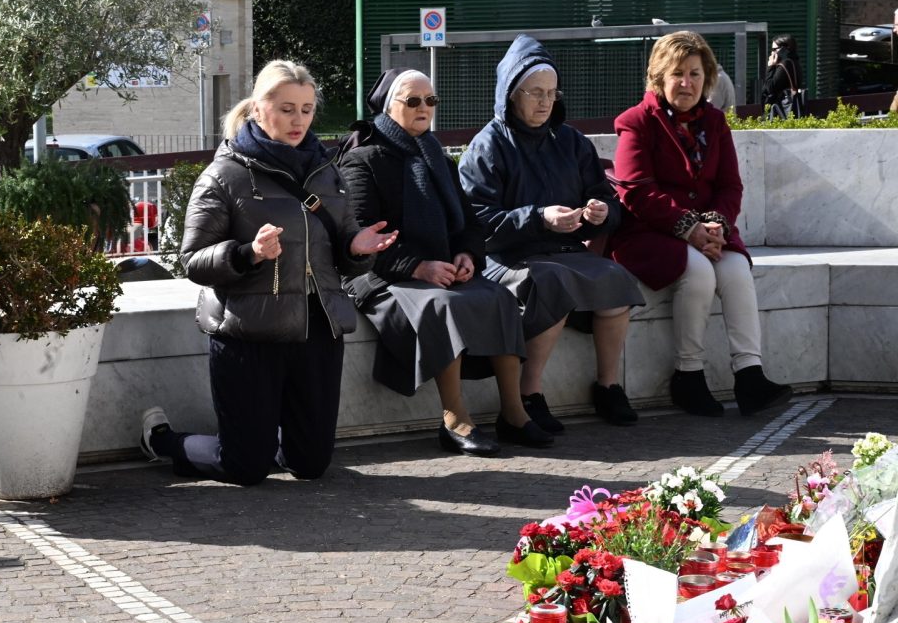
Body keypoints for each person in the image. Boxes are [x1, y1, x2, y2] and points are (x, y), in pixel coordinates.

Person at [139, 60, 397, 486]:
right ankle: (164, 441)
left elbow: (343, 241)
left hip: (318, 328)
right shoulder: (224, 175)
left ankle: (263, 438)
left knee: (310, 465)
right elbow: (193, 259)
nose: (299, 120)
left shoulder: (326, 170)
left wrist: (357, 248)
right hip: (248, 333)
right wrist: (248, 253)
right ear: (258, 109)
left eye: (307, 109)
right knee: (245, 468)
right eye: (287, 108)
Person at [338, 68, 540, 456]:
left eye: (430, 100)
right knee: (442, 304)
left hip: (440, 269)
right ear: (387, 106)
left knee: (498, 298)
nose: (424, 108)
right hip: (382, 272)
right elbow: (362, 236)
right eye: (413, 101)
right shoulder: (363, 161)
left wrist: (466, 254)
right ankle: (455, 418)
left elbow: (468, 223)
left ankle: (514, 413)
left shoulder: (438, 158)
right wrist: (418, 266)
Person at [458, 35, 645, 436]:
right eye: (535, 93)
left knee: (614, 277)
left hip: (561, 249)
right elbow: (477, 220)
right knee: (552, 282)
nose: (545, 102)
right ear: (511, 94)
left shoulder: (571, 141)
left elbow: (607, 199)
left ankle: (608, 385)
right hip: (504, 257)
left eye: (551, 93)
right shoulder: (487, 146)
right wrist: (539, 218)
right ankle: (529, 395)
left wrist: (599, 212)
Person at [608, 31, 791, 418]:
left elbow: (730, 185)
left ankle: (750, 375)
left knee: (737, 268)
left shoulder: (714, 121)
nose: (687, 83)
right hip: (648, 234)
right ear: (659, 77)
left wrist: (716, 225)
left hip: (706, 232)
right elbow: (636, 192)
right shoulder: (636, 122)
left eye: (694, 73)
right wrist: (689, 227)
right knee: (698, 273)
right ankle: (688, 376)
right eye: (677, 74)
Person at [762, 34, 804, 119]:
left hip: (781, 112)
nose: (772, 52)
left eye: (774, 49)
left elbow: (769, 88)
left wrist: (770, 67)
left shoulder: (785, 65)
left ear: (785, 49)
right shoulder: (794, 62)